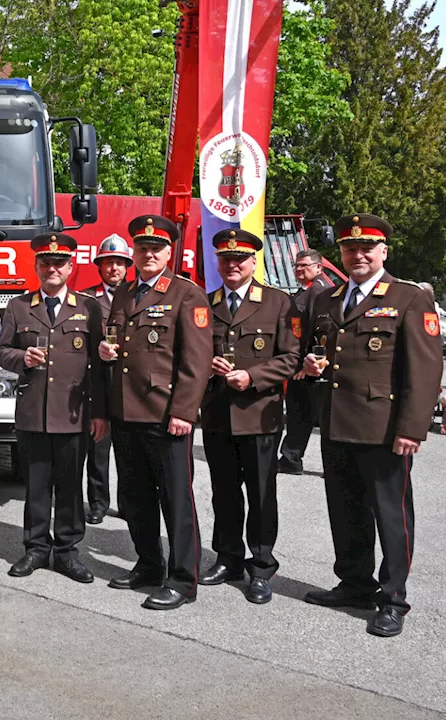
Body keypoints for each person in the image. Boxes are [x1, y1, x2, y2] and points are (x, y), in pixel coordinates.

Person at [300, 213, 443, 637]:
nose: (357, 254)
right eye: (349, 248)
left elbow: (426, 369)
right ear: (340, 254)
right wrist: (311, 363)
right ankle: (355, 583)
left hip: (384, 429)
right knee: (345, 511)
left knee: (391, 516)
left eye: (366, 248)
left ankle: (393, 597)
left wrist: (412, 429)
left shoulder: (409, 298)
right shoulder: (328, 299)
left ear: (383, 251)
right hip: (337, 423)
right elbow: (322, 352)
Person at [98, 215, 212, 610]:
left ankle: (183, 579)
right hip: (126, 412)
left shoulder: (185, 294)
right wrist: (104, 351)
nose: (148, 254)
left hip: (166, 415)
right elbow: (118, 345)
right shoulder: (125, 292)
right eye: (142, 248)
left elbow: (196, 362)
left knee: (176, 499)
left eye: (156, 248)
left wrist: (184, 411)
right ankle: (148, 564)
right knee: (135, 496)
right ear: (134, 252)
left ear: (169, 252)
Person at [0, 233, 106, 584]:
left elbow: (100, 365)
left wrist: (100, 412)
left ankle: (68, 552)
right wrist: (21, 358)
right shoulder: (18, 306)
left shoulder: (88, 307)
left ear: (71, 267)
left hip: (74, 413)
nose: (52, 268)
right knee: (37, 485)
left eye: (59, 263)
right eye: (46, 263)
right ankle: (35, 547)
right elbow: (2, 351)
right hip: (33, 412)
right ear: (37, 267)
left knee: (70, 485)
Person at [198, 230, 302, 605]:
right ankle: (227, 558)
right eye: (225, 259)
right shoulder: (205, 303)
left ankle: (260, 566)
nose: (233, 265)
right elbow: (190, 352)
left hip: (259, 415)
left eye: (240, 258)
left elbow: (291, 358)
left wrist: (253, 376)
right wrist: (206, 364)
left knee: (261, 495)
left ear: (253, 262)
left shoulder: (277, 302)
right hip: (217, 414)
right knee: (223, 493)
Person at [77, 233, 131, 524]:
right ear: (99, 266)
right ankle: (98, 502)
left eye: (119, 263)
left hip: (128, 385)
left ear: (127, 266)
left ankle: (128, 502)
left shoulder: (137, 296)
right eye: (108, 263)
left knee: (127, 450)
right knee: (97, 446)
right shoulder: (85, 299)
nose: (114, 269)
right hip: (96, 382)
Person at [278, 248, 332, 474]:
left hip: (310, 367)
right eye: (297, 266)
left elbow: (320, 331)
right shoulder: (308, 290)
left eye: (305, 266)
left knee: (311, 414)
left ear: (318, 267)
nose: (299, 270)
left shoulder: (319, 292)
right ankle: (291, 458)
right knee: (299, 413)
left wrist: (305, 364)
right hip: (302, 364)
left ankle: (298, 459)